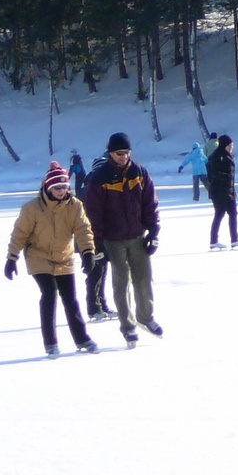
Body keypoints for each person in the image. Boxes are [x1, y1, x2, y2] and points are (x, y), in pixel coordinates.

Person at [5, 161, 99, 357]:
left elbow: (83, 230)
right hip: (38, 256)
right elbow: (20, 233)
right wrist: (12, 257)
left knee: (70, 299)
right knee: (49, 293)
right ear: (48, 187)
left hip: (63, 257)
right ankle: (51, 342)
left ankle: (81, 338)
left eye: (64, 187)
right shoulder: (32, 208)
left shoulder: (74, 206)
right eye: (57, 187)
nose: (61, 191)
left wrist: (88, 252)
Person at [83, 133, 162, 347]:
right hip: (112, 239)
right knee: (121, 281)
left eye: (127, 153)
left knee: (144, 278)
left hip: (137, 235)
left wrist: (154, 231)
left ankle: (146, 317)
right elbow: (93, 213)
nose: (124, 156)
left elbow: (150, 203)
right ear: (111, 153)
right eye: (120, 153)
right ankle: (128, 327)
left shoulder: (139, 172)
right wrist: (97, 243)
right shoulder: (100, 177)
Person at [206, 135, 238, 250]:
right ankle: (214, 241)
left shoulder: (229, 156)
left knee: (233, 214)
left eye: (232, 145)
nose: (231, 147)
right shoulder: (217, 156)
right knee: (219, 214)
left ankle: (235, 240)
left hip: (229, 191)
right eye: (229, 145)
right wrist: (225, 178)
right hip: (219, 191)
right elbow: (213, 174)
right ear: (224, 145)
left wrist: (233, 190)